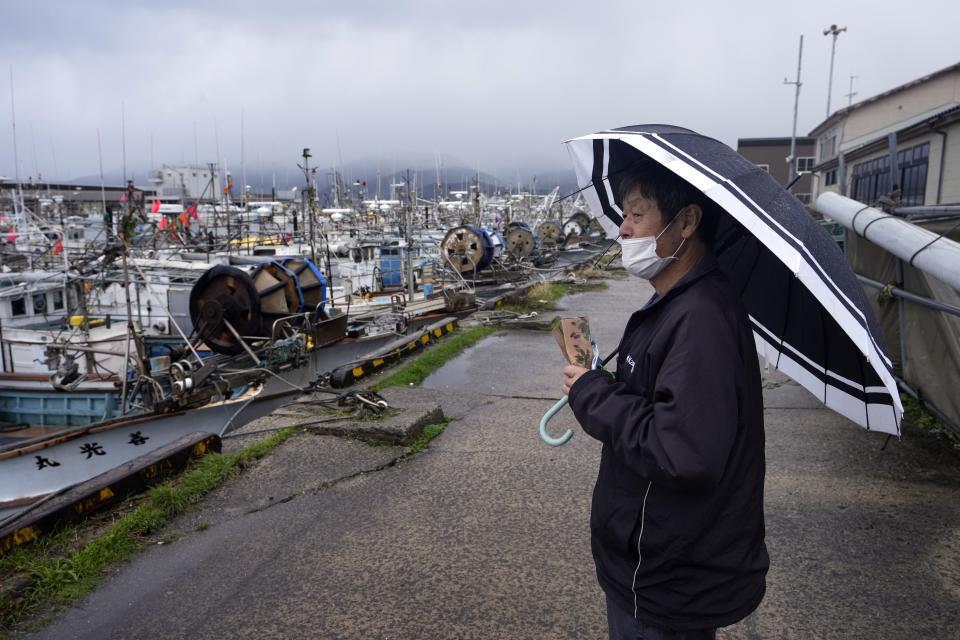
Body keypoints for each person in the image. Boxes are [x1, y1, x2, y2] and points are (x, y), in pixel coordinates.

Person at [562, 161, 769, 639]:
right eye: (624, 214)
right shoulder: (677, 303)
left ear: (687, 222)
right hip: (656, 564)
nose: (623, 228)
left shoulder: (700, 319)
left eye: (637, 214)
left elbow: (683, 450)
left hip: (667, 576)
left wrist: (593, 394)